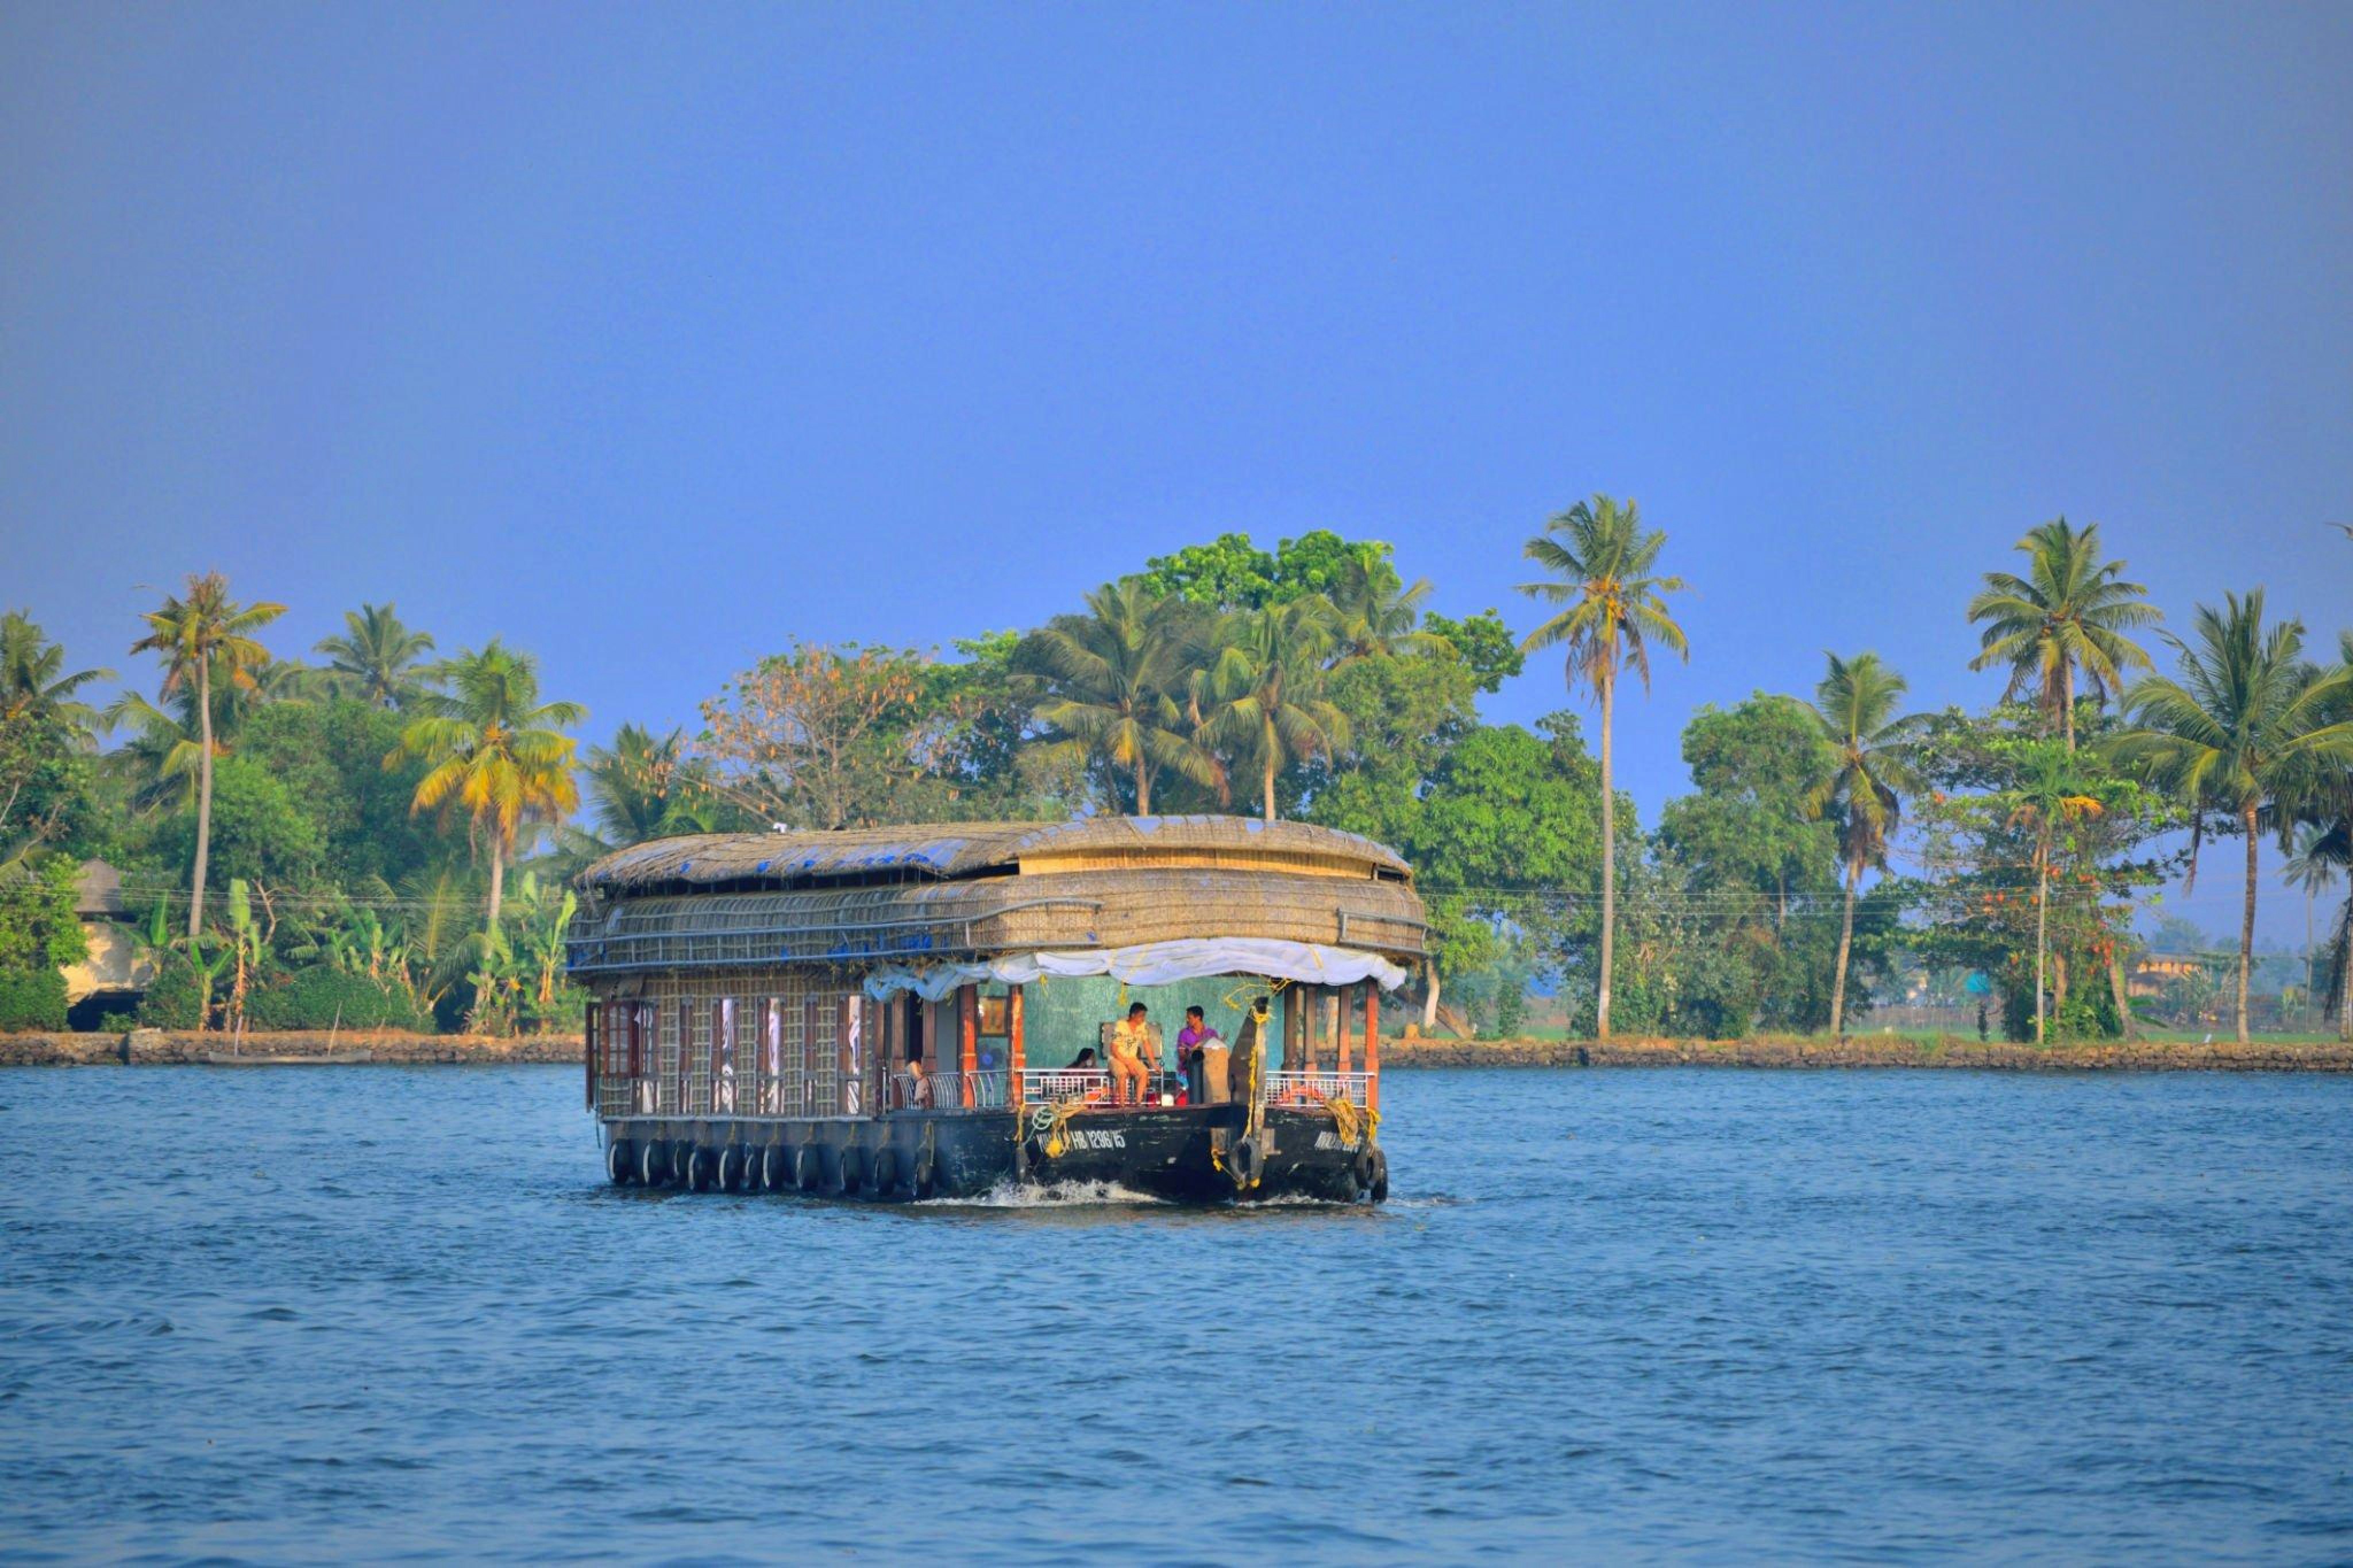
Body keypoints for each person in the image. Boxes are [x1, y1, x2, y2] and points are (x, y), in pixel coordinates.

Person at [1178, 1006, 1229, 1105]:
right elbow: (1182, 1056)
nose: (1187, 1020)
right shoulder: (1184, 1033)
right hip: (1189, 1073)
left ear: (1198, 1018)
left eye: (1189, 1017)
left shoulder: (1212, 1033)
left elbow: (1217, 1053)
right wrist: (1192, 1052)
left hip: (1210, 1075)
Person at [1109, 1002, 1156, 1105]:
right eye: (1141, 1016)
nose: (1143, 1019)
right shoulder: (1120, 1025)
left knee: (1144, 1072)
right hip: (1117, 1058)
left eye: (1144, 1016)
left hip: (1132, 1059)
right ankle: (1123, 1106)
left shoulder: (1142, 1026)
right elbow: (1114, 1049)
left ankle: (1138, 1103)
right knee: (1123, 1074)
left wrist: (1154, 1064)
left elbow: (1147, 1046)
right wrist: (1128, 1064)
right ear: (1133, 1015)